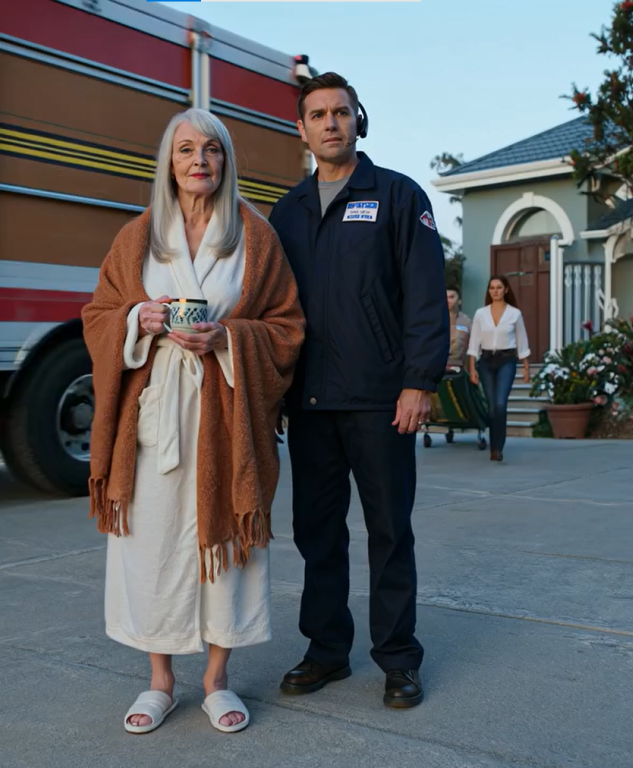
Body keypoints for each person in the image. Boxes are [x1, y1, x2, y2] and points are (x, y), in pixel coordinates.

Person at [81, 108, 305, 735]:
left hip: (226, 411)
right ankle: (159, 680)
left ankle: (215, 680)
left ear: (226, 161)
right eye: (186, 150)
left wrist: (229, 339)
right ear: (169, 163)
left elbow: (288, 327)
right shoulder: (139, 237)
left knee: (226, 543)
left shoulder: (254, 238)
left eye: (212, 149)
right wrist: (138, 320)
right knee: (151, 541)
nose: (199, 160)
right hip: (155, 419)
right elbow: (98, 313)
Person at [268, 72, 449, 709]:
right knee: (317, 532)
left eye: (341, 112)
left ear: (358, 120)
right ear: (302, 128)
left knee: (388, 531)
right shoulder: (285, 212)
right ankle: (326, 651)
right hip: (311, 403)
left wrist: (418, 382)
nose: (330, 124)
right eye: (317, 114)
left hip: (381, 400)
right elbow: (271, 310)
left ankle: (398, 659)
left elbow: (426, 298)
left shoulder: (398, 196)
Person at [467, 275, 530, 462]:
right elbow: (473, 343)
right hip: (485, 362)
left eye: (499, 287)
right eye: (492, 288)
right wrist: (472, 369)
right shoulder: (480, 314)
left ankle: (497, 448)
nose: (495, 291)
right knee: (493, 406)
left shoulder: (514, 314)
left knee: (501, 404)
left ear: (506, 290)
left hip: (507, 361)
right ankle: (494, 444)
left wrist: (526, 367)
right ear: (489, 291)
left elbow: (522, 341)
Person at [446, 287, 471, 370]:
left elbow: (471, 345)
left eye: (451, 297)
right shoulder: (435, 320)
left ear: (459, 300)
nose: (448, 300)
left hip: (459, 366)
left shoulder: (466, 321)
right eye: (445, 297)